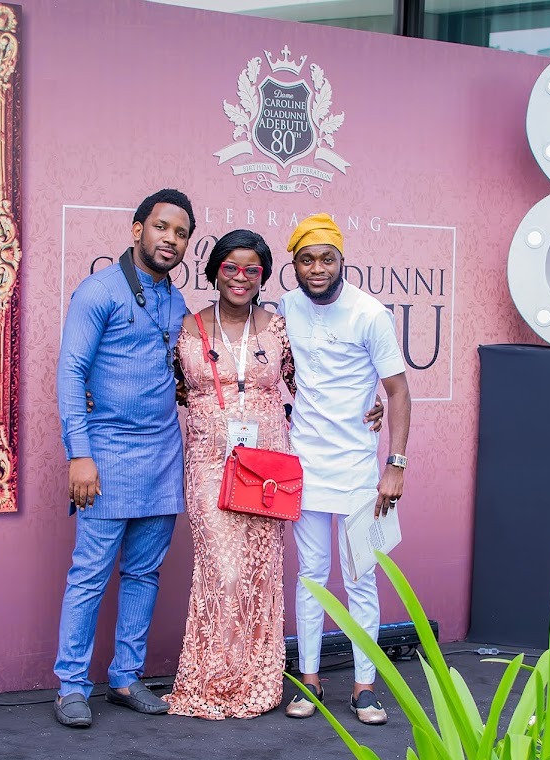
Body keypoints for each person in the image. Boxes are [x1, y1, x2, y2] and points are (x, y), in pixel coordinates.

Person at [53, 188, 195, 729]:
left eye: (181, 233)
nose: (170, 239)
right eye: (161, 227)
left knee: (144, 574)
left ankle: (125, 676)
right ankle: (71, 685)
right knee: (90, 574)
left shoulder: (177, 304)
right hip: (106, 456)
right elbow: (70, 373)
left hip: (163, 458)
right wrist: (79, 455)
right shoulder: (99, 291)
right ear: (137, 230)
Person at [280, 213, 412, 726]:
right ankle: (309, 679)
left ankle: (364, 687)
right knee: (311, 575)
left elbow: (397, 391)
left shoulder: (370, 314)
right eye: (306, 260)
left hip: (358, 468)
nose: (317, 268)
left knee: (360, 577)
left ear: (342, 261)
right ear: (295, 265)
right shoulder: (286, 308)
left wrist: (395, 464)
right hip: (305, 464)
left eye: (326, 259)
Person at [163, 229, 295, 720]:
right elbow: (169, 386)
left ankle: (255, 680)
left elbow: (312, 385)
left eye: (252, 270)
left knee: (260, 572)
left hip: (267, 467)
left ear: (263, 276)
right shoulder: (188, 327)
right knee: (223, 569)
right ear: (215, 271)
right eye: (231, 268)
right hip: (208, 461)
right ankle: (212, 680)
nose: (241, 278)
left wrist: (370, 406)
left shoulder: (278, 329)